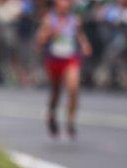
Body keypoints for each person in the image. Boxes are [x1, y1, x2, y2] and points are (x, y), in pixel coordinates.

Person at [36, 0, 92, 139]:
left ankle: (70, 122)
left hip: (70, 58)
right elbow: (39, 40)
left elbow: (79, 34)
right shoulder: (49, 19)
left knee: (73, 88)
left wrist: (85, 45)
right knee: (56, 91)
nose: (65, 3)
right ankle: (52, 115)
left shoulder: (74, 20)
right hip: (54, 59)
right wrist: (49, 33)